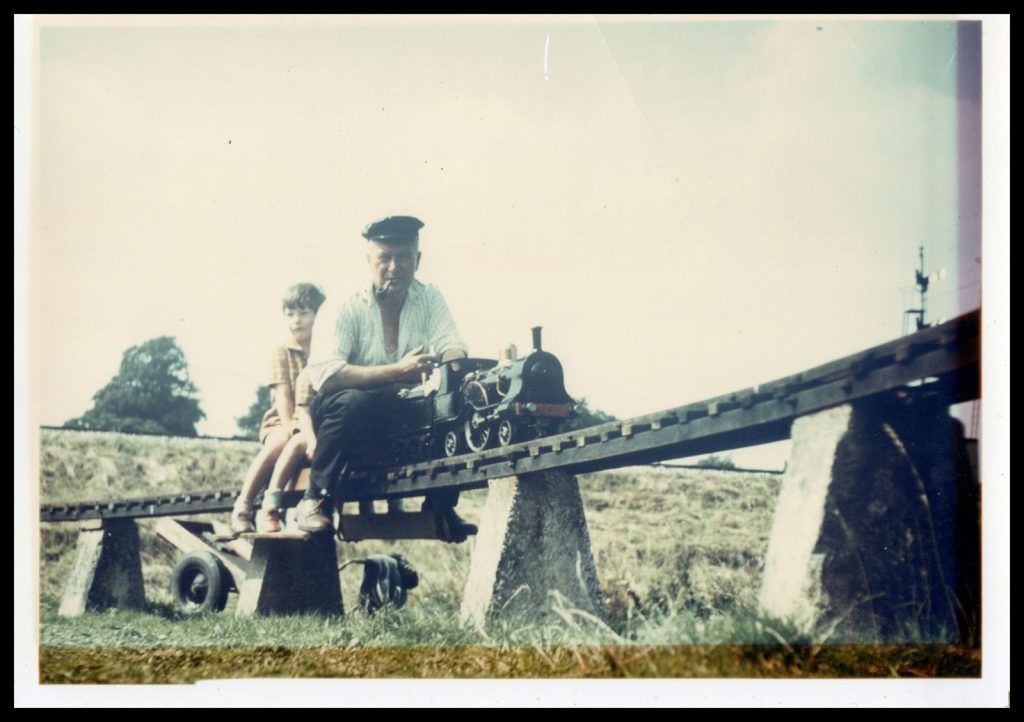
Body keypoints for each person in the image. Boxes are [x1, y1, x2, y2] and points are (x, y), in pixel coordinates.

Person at [295, 215, 477, 540]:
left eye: (404, 257)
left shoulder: (430, 298)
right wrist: (397, 372)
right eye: (385, 257)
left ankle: (440, 503)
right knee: (353, 401)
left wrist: (456, 374)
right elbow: (326, 377)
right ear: (369, 261)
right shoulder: (344, 305)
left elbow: (452, 346)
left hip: (398, 413)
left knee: (455, 400)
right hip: (346, 416)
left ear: (418, 260)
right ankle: (315, 500)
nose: (395, 266)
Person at [230, 283, 326, 535]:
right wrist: (292, 429)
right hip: (281, 420)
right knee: (281, 441)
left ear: (317, 314)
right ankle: (244, 504)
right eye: (290, 314)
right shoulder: (281, 351)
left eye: (303, 313)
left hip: (311, 421)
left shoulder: (323, 350)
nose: (296, 320)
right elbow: (283, 397)